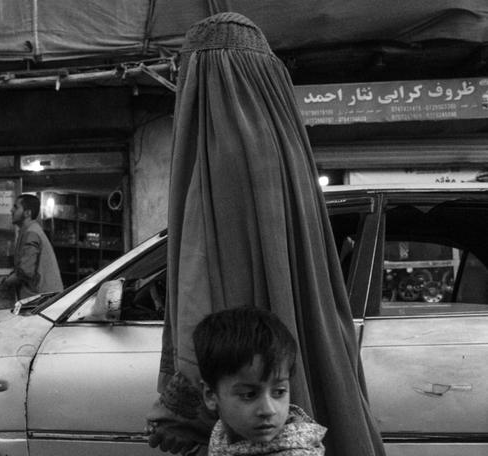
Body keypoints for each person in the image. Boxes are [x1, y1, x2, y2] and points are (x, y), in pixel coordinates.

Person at [147, 12, 384, 456]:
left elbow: (197, 275)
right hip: (306, 345)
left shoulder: (221, 147)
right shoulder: (285, 139)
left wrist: (180, 404)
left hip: (242, 359)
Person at [193, 307, 326, 456]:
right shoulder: (224, 432)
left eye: (279, 392)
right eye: (249, 395)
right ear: (211, 395)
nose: (269, 410)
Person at [0, 194, 63, 300]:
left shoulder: (31, 233)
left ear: (27, 213)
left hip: (41, 300)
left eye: (16, 207)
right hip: (42, 298)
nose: (11, 210)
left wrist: (5, 283)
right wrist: (9, 278)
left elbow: (26, 272)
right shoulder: (30, 230)